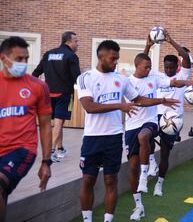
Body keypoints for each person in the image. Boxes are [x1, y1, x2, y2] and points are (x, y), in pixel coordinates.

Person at [76, 41, 180, 222]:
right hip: (92, 138)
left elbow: (139, 99)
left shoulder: (121, 80)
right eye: (112, 58)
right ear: (101, 56)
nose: (116, 62)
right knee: (87, 180)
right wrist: (120, 105)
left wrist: (162, 100)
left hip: (115, 137)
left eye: (117, 58)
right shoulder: (85, 77)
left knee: (111, 180)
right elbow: (89, 107)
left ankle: (108, 220)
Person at [125, 53, 193, 220]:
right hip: (131, 126)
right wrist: (161, 100)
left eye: (150, 67)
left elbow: (174, 82)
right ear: (137, 66)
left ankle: (146, 174)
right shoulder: (128, 82)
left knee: (145, 137)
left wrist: (189, 83)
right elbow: (138, 101)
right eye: (146, 67)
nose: (149, 70)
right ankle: (139, 205)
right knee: (132, 167)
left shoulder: (153, 79)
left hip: (151, 121)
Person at [0, 36, 52, 221]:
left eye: (26, 59)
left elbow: (46, 125)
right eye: (19, 59)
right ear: (4, 59)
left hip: (22, 149)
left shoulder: (38, 86)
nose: (23, 63)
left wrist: (46, 162)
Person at [143, 31, 191, 196]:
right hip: (156, 115)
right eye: (167, 67)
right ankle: (151, 162)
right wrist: (148, 46)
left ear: (176, 66)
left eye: (172, 67)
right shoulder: (157, 75)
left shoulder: (183, 75)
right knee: (146, 136)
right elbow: (141, 63)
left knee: (165, 152)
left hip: (173, 120)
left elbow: (186, 57)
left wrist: (171, 40)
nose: (169, 70)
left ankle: (159, 183)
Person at [32, 31, 81, 162]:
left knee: (59, 123)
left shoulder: (48, 54)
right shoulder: (71, 56)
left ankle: (59, 149)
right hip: (64, 94)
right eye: (76, 41)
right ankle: (51, 151)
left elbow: (36, 73)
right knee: (59, 122)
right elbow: (78, 78)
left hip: (48, 94)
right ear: (68, 42)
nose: (78, 44)